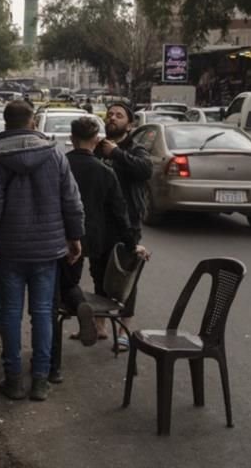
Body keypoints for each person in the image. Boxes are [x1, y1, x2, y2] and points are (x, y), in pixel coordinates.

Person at [0, 100, 84, 402]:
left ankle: (13, 380)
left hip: (9, 249)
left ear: (5, 123)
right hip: (47, 249)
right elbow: (71, 200)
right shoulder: (55, 154)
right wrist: (75, 236)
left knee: (11, 313)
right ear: (32, 122)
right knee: (42, 313)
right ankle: (40, 378)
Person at [63, 118, 146, 348]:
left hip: (63, 236)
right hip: (95, 237)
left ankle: (81, 313)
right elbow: (120, 213)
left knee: (66, 285)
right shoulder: (105, 172)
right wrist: (132, 244)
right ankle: (98, 321)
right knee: (102, 282)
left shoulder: (61, 165)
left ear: (72, 139)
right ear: (96, 140)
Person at [96, 102, 153, 349]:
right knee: (99, 273)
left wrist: (116, 153)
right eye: (110, 114)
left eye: (119, 115)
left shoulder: (135, 148)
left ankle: (123, 330)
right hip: (101, 222)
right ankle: (99, 326)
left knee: (126, 278)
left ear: (129, 124)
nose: (112, 118)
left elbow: (145, 170)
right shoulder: (98, 146)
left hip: (127, 223)